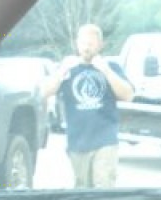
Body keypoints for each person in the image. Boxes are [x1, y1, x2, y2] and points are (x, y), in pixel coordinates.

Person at [43, 24, 134, 188]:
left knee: (103, 187)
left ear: (100, 45)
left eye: (91, 44)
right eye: (84, 43)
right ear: (77, 44)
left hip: (105, 141)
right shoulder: (68, 68)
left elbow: (128, 95)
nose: (87, 47)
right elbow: (44, 92)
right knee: (81, 190)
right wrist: (61, 71)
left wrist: (106, 72)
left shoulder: (111, 67)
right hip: (77, 142)